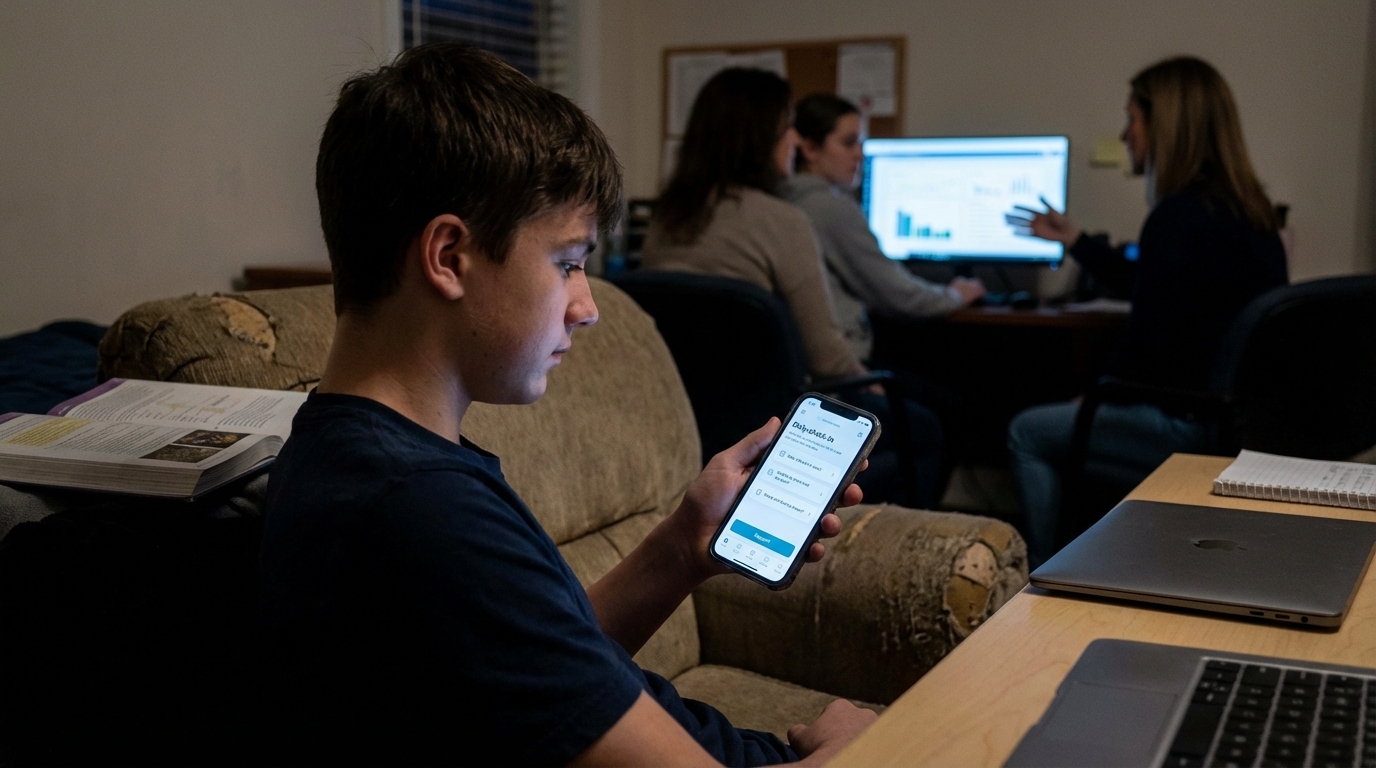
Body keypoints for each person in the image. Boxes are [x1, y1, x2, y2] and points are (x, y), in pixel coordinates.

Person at [258, 44, 877, 767]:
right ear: (449, 256)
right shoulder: (421, 513)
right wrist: (858, 749)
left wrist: (683, 547)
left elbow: (538, 668)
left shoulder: (359, 449)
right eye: (567, 262)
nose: (587, 307)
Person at [1004, 56, 1288, 566]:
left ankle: (1045, 581)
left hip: (1188, 425)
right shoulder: (1251, 212)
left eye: (1131, 118)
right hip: (1242, 424)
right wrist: (1077, 240)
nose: (1125, 133)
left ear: (1165, 126)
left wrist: (1092, 397)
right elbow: (1157, 287)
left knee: (1028, 430)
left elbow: (1150, 347)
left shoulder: (1176, 217)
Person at [641, 68, 944, 508]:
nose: (794, 143)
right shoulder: (781, 220)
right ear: (763, 139)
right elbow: (827, 360)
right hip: (777, 427)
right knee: (925, 427)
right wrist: (869, 385)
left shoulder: (665, 220)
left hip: (695, 423)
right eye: (787, 130)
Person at [781, 93, 985, 361]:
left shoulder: (780, 201)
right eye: (848, 143)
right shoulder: (830, 208)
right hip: (841, 368)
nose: (860, 154)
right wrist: (955, 295)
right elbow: (901, 297)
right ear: (809, 149)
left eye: (861, 143)